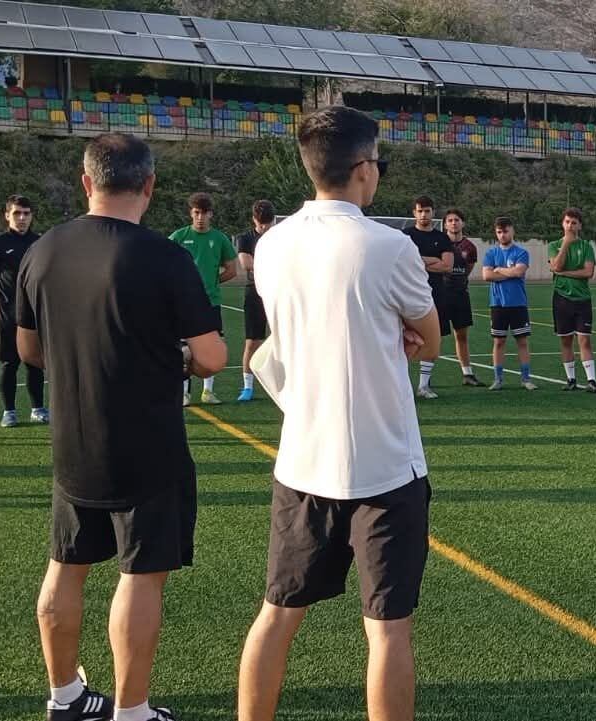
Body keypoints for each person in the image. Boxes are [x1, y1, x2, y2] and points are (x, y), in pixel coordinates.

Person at [239, 106, 440, 721]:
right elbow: (429, 342)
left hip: (303, 459)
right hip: (385, 467)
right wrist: (397, 335)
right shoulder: (388, 245)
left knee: (276, 613)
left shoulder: (271, 246)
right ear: (362, 169)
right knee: (387, 630)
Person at [18, 132, 226, 721]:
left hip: (73, 442)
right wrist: (171, 358)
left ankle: (64, 697)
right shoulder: (165, 256)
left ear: (87, 182)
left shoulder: (44, 250)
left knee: (66, 564)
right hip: (147, 444)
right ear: (150, 186)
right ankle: (131, 711)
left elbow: (27, 348)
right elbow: (210, 358)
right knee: (140, 575)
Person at [0, 194, 46, 427]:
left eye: (26, 213)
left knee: (35, 362)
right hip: (7, 315)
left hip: (33, 314)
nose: (22, 218)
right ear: (7, 215)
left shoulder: (40, 243)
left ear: (31, 216)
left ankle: (38, 409)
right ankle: (8, 411)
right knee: (9, 363)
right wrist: (3, 298)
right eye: (17, 213)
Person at [169, 192, 236, 407]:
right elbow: (164, 262)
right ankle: (184, 392)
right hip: (184, 303)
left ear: (211, 215)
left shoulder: (220, 239)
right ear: (191, 213)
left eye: (204, 213)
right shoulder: (179, 237)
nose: (200, 217)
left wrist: (212, 282)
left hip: (211, 302)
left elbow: (231, 269)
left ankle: (208, 391)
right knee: (183, 348)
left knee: (212, 346)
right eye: (196, 213)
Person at [417, 207, 482, 397]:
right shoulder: (439, 242)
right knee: (434, 336)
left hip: (460, 295)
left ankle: (467, 373)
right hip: (440, 294)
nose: (454, 223)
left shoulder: (469, 247)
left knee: (461, 335)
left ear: (463, 223)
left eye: (457, 220)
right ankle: (425, 380)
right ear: (445, 224)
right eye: (450, 220)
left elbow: (468, 268)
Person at [406, 196, 456, 399]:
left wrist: (418, 260)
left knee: (432, 338)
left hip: (435, 293)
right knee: (402, 337)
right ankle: (402, 386)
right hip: (408, 292)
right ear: (414, 213)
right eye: (420, 211)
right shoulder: (405, 236)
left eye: (427, 211)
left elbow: (447, 266)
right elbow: (404, 263)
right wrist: (432, 260)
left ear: (433, 213)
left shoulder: (442, 238)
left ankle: (424, 386)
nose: (424, 215)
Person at [548, 207, 596, 393]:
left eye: (574, 223)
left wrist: (565, 273)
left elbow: (588, 272)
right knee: (566, 341)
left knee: (584, 339)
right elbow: (556, 265)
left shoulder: (586, 247)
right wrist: (566, 245)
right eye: (567, 222)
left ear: (580, 226)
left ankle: (592, 380)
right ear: (563, 223)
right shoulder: (554, 245)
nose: (570, 225)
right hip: (561, 298)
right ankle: (571, 379)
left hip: (582, 299)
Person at [481, 217, 535, 391]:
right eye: (499, 232)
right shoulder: (491, 253)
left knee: (522, 342)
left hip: (518, 303)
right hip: (498, 304)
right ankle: (498, 379)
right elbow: (487, 276)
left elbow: (519, 271)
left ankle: (526, 379)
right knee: (499, 342)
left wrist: (499, 270)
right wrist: (509, 273)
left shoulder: (521, 252)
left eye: (505, 231)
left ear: (512, 231)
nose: (502, 235)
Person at [233, 199, 276, 403]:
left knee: (286, 339)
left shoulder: (281, 237)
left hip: (279, 293)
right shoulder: (246, 238)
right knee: (252, 342)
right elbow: (246, 263)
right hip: (255, 293)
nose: (263, 227)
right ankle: (248, 387)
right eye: (260, 223)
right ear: (254, 220)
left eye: (267, 223)